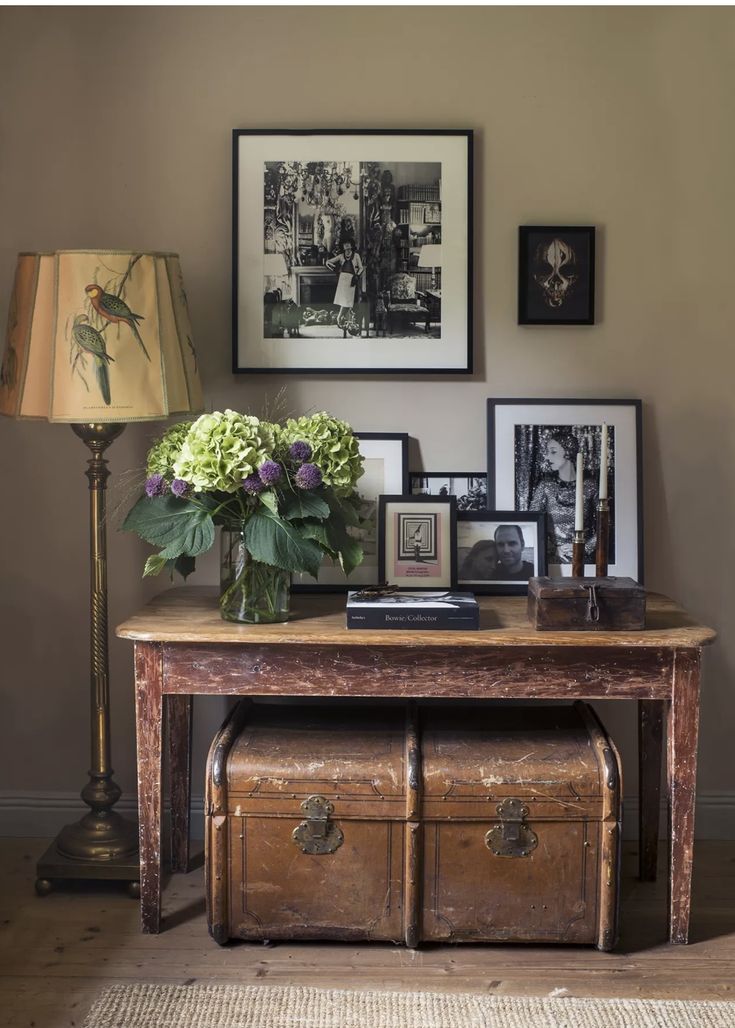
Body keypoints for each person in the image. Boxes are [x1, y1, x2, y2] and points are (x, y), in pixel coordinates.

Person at [529, 430, 596, 563]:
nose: (547, 457)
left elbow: (605, 526)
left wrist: (585, 548)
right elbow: (532, 523)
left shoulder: (590, 486)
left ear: (568, 452)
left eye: (553, 452)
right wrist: (553, 549)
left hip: (584, 562)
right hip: (553, 562)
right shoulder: (545, 486)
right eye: (547, 452)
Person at [325, 239, 363, 327]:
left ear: (351, 245)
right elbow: (328, 262)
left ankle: (344, 319)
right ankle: (342, 319)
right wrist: (335, 269)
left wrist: (357, 276)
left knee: (350, 300)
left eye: (348, 244)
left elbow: (361, 268)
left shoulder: (356, 256)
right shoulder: (341, 256)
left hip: (352, 279)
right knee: (344, 300)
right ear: (343, 247)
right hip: (342, 279)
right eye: (345, 245)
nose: (347, 247)